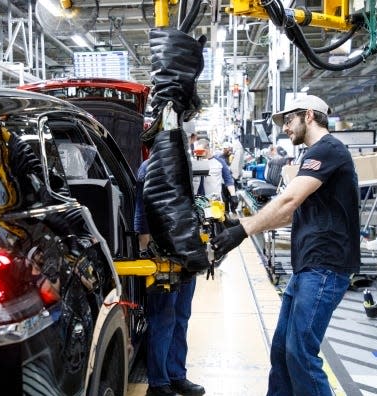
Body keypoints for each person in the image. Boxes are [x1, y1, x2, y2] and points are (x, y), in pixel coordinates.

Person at [211, 95, 360, 396]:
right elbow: (288, 212)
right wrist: (236, 223)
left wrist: (243, 230)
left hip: (325, 267)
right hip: (307, 267)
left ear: (308, 116)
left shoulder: (328, 149)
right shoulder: (313, 154)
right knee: (282, 351)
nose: (285, 129)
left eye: (288, 121)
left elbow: (289, 200)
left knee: (300, 353)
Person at [135, 158, 205, 396]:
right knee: (163, 317)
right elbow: (142, 214)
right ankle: (158, 383)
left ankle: (177, 375)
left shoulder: (183, 163)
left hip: (187, 251)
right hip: (162, 254)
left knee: (181, 316)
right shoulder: (150, 167)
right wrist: (147, 253)